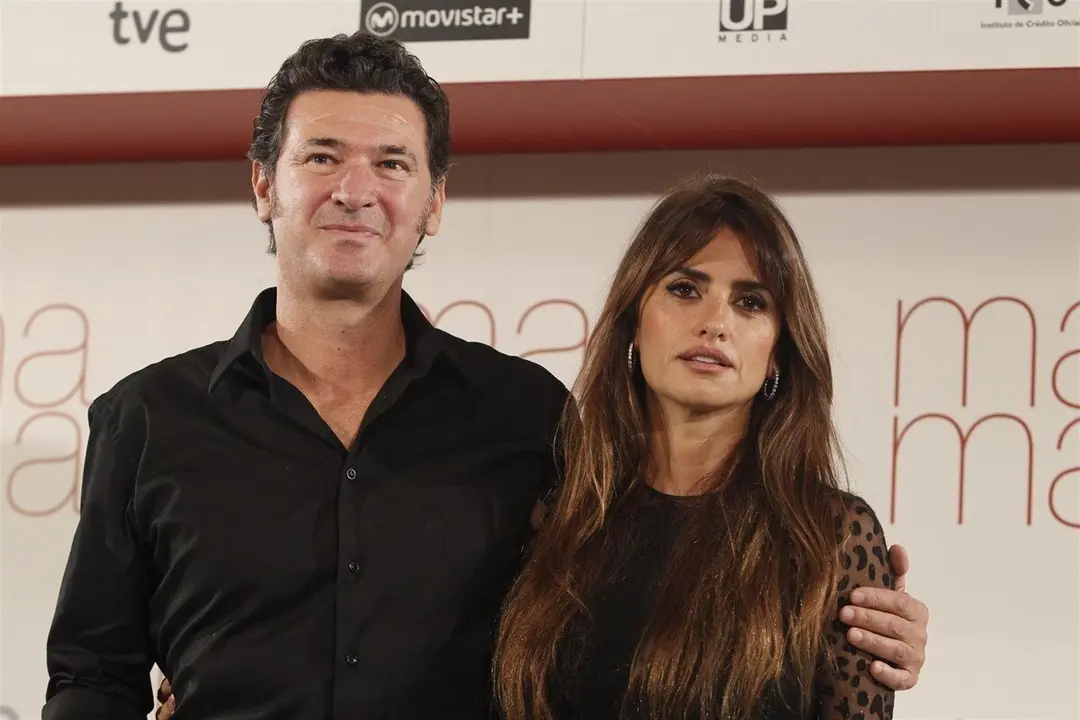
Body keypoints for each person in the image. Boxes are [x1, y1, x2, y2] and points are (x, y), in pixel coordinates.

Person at [43, 31, 928, 720]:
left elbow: (656, 581)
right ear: (263, 184)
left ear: (433, 202)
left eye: (392, 164)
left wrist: (845, 625)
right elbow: (91, 674)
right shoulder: (147, 420)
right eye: (321, 156)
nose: (355, 190)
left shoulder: (526, 418)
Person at [492, 175, 913, 720]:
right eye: (685, 289)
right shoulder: (557, 515)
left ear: (779, 351)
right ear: (634, 322)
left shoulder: (829, 539)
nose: (714, 323)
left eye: (750, 302)